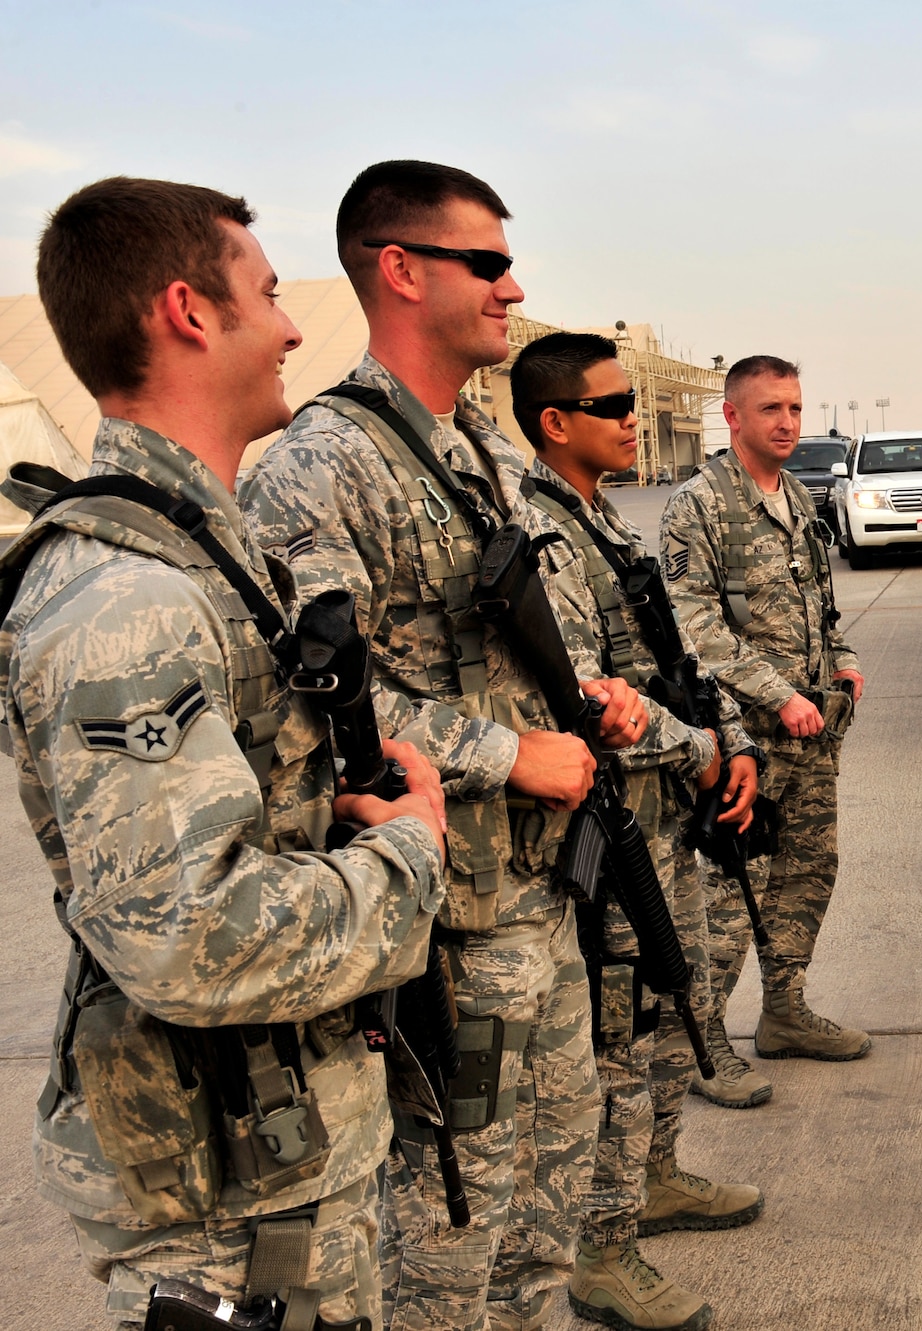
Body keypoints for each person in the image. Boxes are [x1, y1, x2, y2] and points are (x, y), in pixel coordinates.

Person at [2, 176, 447, 1328]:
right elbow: (187, 934)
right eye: (265, 292)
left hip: (281, 1162)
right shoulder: (127, 596)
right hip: (230, 1219)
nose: (296, 324)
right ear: (189, 312)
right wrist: (407, 856)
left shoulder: (208, 549)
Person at [241, 160, 652, 1331]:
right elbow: (317, 702)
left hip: (536, 892)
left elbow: (510, 637)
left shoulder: (475, 448)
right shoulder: (323, 464)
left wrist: (587, 699)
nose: (512, 287)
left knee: (548, 1197)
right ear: (401, 269)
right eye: (487, 262)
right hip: (448, 919)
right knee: (449, 1225)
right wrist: (504, 754)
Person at [511, 332, 769, 1328]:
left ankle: (654, 1177)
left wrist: (725, 738)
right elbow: (589, 697)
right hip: (613, 824)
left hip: (664, 821)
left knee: (673, 1007)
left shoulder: (602, 520)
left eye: (632, 403)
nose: (633, 419)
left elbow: (673, 658)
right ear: (554, 423)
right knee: (618, 1037)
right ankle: (601, 1250)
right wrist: (696, 747)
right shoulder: (545, 535)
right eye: (613, 405)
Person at [664, 356, 871, 1084]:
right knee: (729, 892)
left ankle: (783, 1010)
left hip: (813, 734)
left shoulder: (801, 499)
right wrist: (779, 693)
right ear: (732, 416)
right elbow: (693, 627)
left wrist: (842, 661)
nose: (787, 422)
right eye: (770, 409)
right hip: (744, 738)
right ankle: (702, 1042)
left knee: (809, 872)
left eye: (794, 407)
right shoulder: (699, 506)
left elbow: (824, 605)